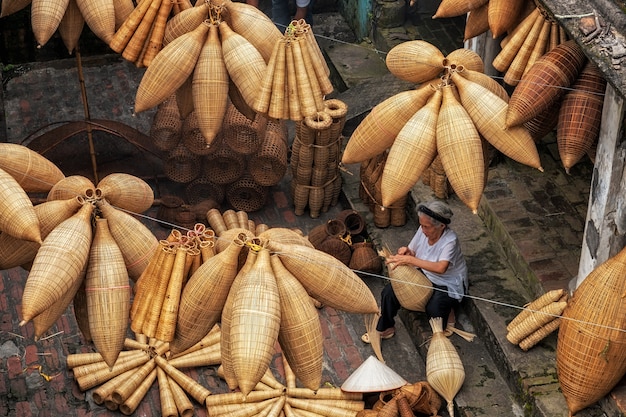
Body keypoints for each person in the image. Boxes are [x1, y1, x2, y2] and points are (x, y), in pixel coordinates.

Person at [362, 200, 468, 343]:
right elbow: (412, 252)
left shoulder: (450, 241)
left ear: (442, 226)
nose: (423, 230)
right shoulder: (423, 230)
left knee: (434, 308)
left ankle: (448, 313)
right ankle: (386, 328)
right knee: (389, 292)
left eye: (427, 227)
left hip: (446, 281)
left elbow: (441, 268)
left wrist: (411, 261)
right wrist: (406, 252)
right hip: (424, 273)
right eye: (421, 225)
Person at [246, 0, 314, 31]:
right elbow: (252, 5)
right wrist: (253, 16)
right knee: (278, 8)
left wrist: (290, 31)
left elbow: (301, 11)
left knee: (304, 19)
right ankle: (280, 32)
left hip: (303, 6)